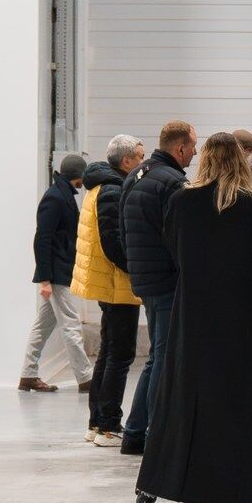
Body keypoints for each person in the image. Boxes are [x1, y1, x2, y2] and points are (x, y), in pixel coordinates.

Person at [132, 131, 252, 503]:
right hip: (238, 323)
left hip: (191, 318)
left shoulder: (182, 202)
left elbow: (173, 251)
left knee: (176, 403)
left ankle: (145, 499)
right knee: (230, 410)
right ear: (239, 161)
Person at [118, 120, 195, 454]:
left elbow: (122, 230)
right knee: (164, 357)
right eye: (193, 146)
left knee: (156, 356)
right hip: (167, 279)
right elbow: (180, 237)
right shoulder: (173, 183)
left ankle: (135, 432)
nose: (195, 153)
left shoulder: (137, 175)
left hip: (144, 277)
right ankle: (154, 436)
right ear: (179, 148)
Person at [74, 135, 144, 447]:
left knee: (109, 352)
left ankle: (96, 422)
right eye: (139, 157)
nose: (143, 162)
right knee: (120, 355)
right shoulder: (113, 190)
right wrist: (136, 268)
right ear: (126, 161)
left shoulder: (103, 185)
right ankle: (108, 426)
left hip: (110, 282)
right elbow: (113, 242)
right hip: (117, 283)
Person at [19, 153, 90, 392]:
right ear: (77, 175)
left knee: (43, 326)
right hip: (56, 273)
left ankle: (28, 375)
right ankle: (86, 378)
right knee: (71, 324)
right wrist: (45, 279)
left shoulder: (62, 194)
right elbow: (42, 239)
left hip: (60, 271)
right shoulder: (55, 197)